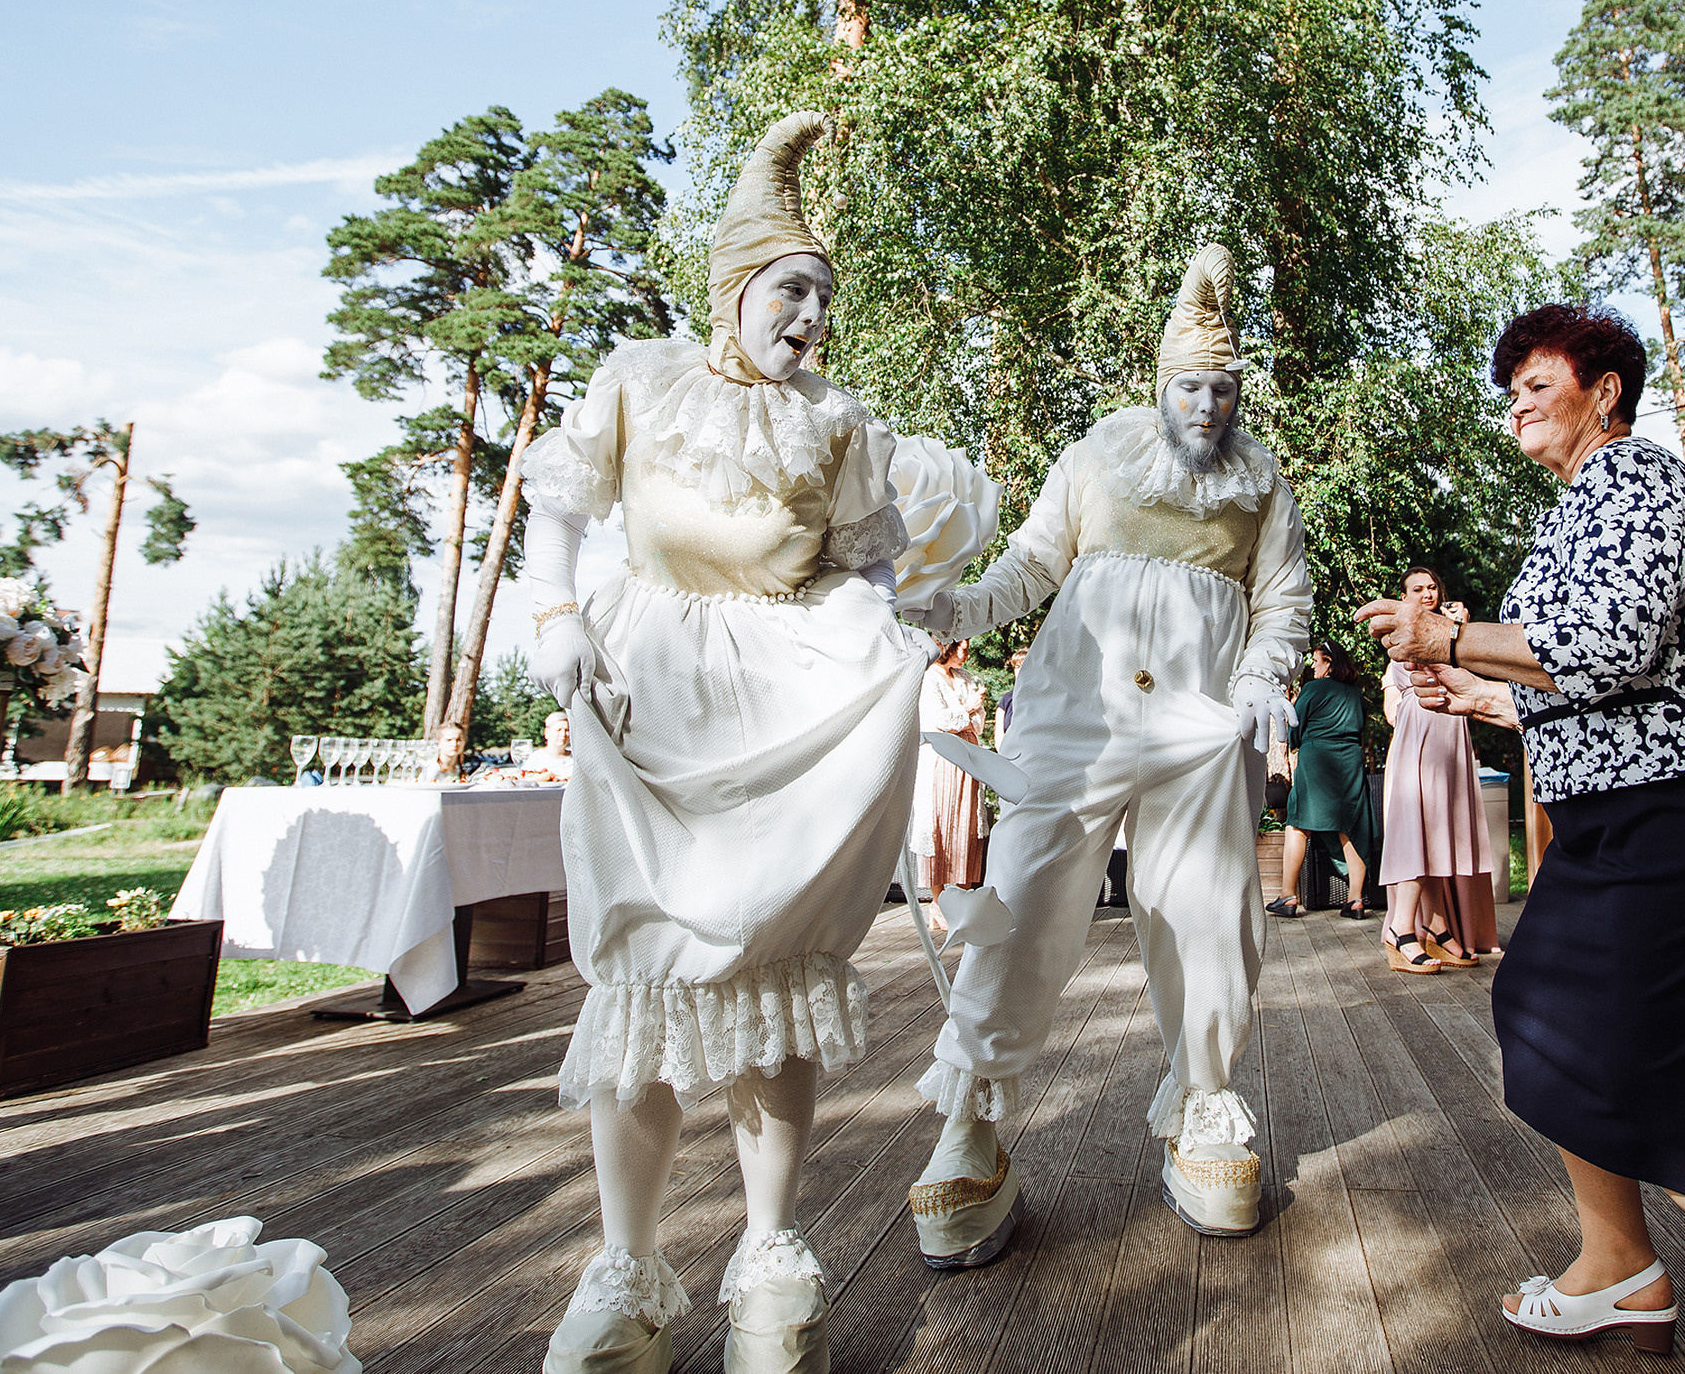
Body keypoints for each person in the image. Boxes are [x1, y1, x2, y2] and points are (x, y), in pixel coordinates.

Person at [521, 111, 950, 1374]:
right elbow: (559, 507)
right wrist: (553, 616)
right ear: (736, 291)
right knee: (643, 977)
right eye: (790, 289)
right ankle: (627, 1269)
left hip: (784, 701)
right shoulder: (639, 377)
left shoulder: (838, 419)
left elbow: (862, 566)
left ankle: (768, 1256)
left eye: (823, 295)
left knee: (771, 980)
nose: (809, 314)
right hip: (648, 694)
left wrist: (884, 637)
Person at [1361, 304, 1685, 1373]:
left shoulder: (1636, 477)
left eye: (1536, 384)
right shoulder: (1579, 504)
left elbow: (1613, 643)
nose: (1517, 407)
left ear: (1605, 389)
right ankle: (1618, 1266)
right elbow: (1593, 672)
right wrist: (1486, 698)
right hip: (1630, 815)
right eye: (1511, 394)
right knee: (1543, 1013)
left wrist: (1447, 634)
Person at [903, 244, 1312, 1257]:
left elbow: (1284, 600)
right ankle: (972, 1123)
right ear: (1160, 386)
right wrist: (952, 605)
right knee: (1024, 897)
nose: (1208, 404)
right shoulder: (1097, 455)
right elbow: (1034, 561)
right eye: (1191, 386)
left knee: (1210, 910)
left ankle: (1206, 1099)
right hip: (1074, 714)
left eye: (1223, 387)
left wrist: (1261, 679)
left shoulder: (1261, 483)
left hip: (1201, 723)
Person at [1377, 565, 1497, 968]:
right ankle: (1401, 926)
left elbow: (1475, 677)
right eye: (1416, 588)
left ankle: (1438, 926)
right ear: (1404, 596)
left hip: (1451, 731)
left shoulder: (1452, 629)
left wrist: (1461, 631)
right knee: (1419, 823)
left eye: (1431, 586)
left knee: (1443, 829)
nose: (1426, 593)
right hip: (1421, 729)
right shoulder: (1402, 632)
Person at [1268, 640, 1379, 924]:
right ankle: (1355, 899)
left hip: (1317, 759)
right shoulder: (1355, 693)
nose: (1313, 667)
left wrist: (1295, 736)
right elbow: (1361, 726)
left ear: (1328, 662)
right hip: (1351, 759)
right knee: (1349, 825)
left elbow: (1295, 727)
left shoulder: (1313, 689)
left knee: (1298, 822)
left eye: (1316, 662)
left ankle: (1287, 895)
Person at [913, 641, 988, 923]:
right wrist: (967, 710)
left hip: (969, 755)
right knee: (941, 824)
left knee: (968, 825)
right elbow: (937, 719)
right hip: (941, 758)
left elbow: (978, 719)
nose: (966, 654)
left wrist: (968, 714)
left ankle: (964, 897)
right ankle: (938, 902)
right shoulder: (930, 677)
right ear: (948, 646)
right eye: (962, 648)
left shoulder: (965, 677)